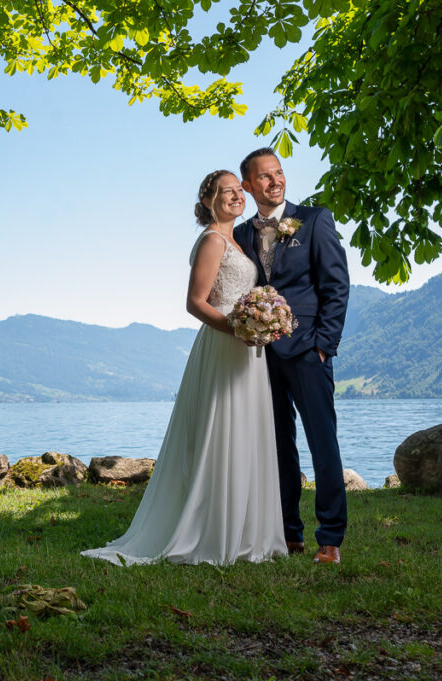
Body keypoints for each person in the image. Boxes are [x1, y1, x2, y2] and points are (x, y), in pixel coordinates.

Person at [81, 170, 287, 566]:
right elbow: (195, 302)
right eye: (226, 191)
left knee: (245, 432)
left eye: (238, 191)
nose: (236, 197)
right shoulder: (213, 241)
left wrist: (262, 323)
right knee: (220, 433)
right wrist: (237, 328)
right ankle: (212, 530)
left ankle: (246, 532)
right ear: (209, 199)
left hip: (248, 347)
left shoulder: (235, 242)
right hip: (226, 343)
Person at [235, 148, 350, 565]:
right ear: (248, 185)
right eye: (264, 176)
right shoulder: (244, 233)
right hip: (259, 357)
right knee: (277, 445)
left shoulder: (315, 219)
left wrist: (324, 345)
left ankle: (330, 538)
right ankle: (288, 533)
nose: (274, 181)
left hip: (307, 350)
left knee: (323, 442)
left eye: (278, 173)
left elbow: (336, 285)